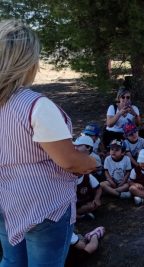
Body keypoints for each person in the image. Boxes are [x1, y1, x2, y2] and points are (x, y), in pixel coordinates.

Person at [0, 19, 96, 265]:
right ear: (28, 61)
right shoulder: (36, 106)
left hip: (5, 199)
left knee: (12, 262)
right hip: (44, 206)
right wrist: (92, 161)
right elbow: (70, 161)